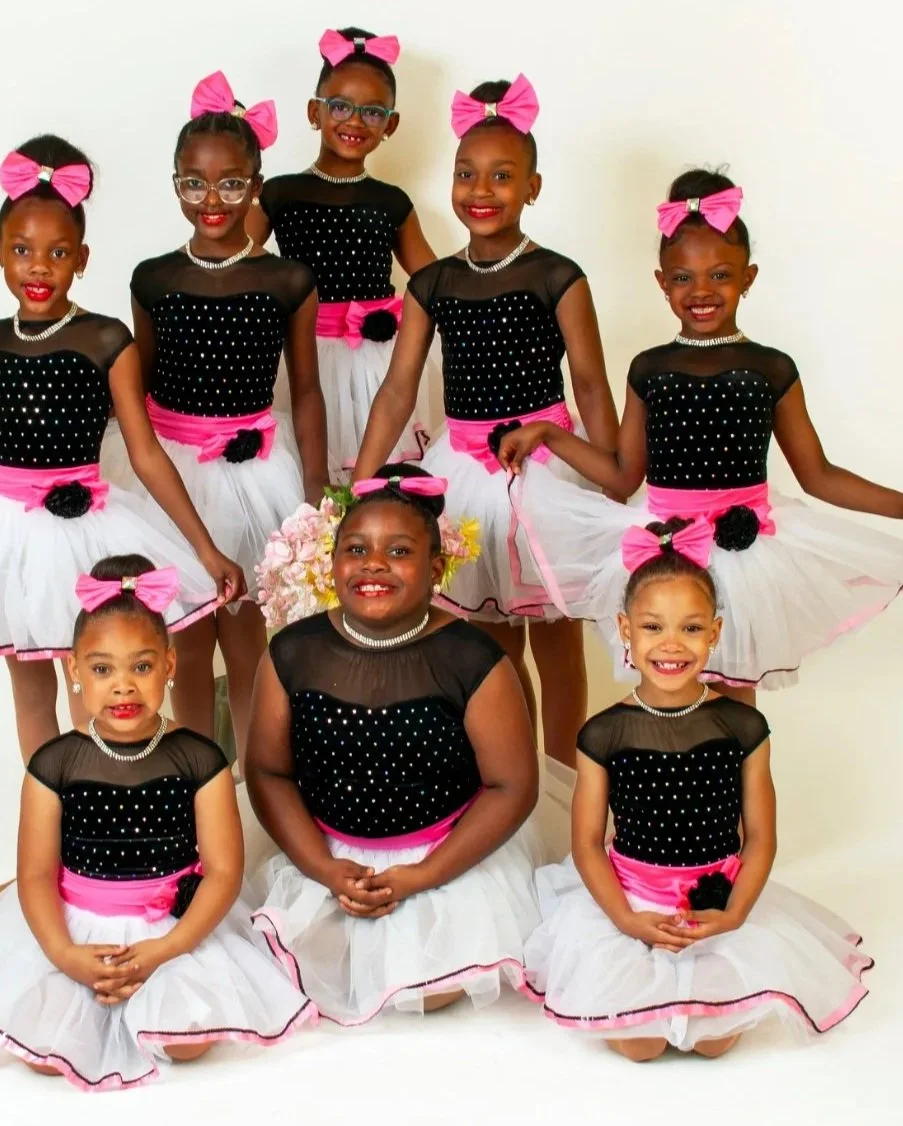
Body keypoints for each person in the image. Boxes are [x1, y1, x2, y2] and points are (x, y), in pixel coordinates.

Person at [0, 134, 242, 762]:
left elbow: (145, 455)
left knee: (94, 675)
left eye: (58, 252)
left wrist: (204, 547)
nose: (39, 266)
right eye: (22, 250)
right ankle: (48, 807)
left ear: (83, 258)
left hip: (84, 532)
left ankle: (104, 797)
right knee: (30, 683)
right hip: (1, 534)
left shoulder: (105, 340)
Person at [501, 168, 903, 698]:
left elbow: (818, 475)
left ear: (748, 277)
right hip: (663, 550)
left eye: (720, 276)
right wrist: (550, 432)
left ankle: (742, 781)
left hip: (745, 557)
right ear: (661, 282)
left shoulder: (772, 368)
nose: (701, 291)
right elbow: (622, 473)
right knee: (665, 689)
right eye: (683, 278)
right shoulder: (648, 369)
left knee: (735, 701)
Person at [0, 554, 314, 1090]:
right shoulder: (56, 764)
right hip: (79, 917)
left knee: (191, 1038)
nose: (123, 686)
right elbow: (37, 873)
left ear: (170, 666)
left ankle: (161, 985)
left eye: (142, 666)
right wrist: (65, 953)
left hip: (169, 925)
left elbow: (224, 871)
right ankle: (76, 980)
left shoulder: (199, 759)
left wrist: (165, 950)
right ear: (76, 672)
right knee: (44, 1050)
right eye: (103, 668)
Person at [353, 76, 619, 765]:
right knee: (493, 646)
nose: (481, 190)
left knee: (556, 639)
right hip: (463, 470)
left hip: (544, 469)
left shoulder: (557, 276)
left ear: (532, 187)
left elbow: (588, 382)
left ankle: (566, 783)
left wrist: (613, 471)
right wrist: (357, 485)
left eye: (502, 177)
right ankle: (522, 783)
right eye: (467, 174)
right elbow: (396, 392)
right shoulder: (432, 283)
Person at [522, 543, 872, 1059]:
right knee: (639, 1047)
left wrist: (733, 916)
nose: (672, 645)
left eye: (690, 628)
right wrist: (625, 918)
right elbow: (589, 845)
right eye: (653, 626)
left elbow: (760, 839)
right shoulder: (604, 733)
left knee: (714, 1044)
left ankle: (708, 976)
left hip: (718, 897)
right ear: (624, 630)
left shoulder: (742, 726)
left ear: (715, 633)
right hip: (633, 897)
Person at [245, 466, 541, 1024]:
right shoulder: (292, 652)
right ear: (332, 564)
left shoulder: (473, 658)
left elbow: (512, 786)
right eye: (356, 549)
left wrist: (424, 874)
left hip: (444, 853)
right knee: (289, 963)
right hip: (327, 851)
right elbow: (268, 771)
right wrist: (323, 868)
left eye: (398, 551)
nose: (373, 563)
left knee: (429, 990)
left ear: (435, 568)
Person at [103, 73, 327, 764]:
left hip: (258, 473)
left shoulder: (287, 281)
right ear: (175, 185)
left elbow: (308, 391)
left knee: (250, 635)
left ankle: (260, 785)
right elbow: (135, 384)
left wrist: (316, 493)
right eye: (194, 184)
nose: (211, 200)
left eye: (231, 184)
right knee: (184, 635)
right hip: (170, 473)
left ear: (257, 183)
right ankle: (201, 774)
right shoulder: (153, 278)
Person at [248, 27, 437, 481]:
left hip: (377, 358)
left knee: (376, 471)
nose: (355, 121)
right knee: (309, 465)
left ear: (390, 124)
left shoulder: (391, 201)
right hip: (303, 349)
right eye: (340, 106)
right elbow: (241, 266)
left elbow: (436, 279)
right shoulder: (278, 193)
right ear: (315, 112)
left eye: (373, 112)